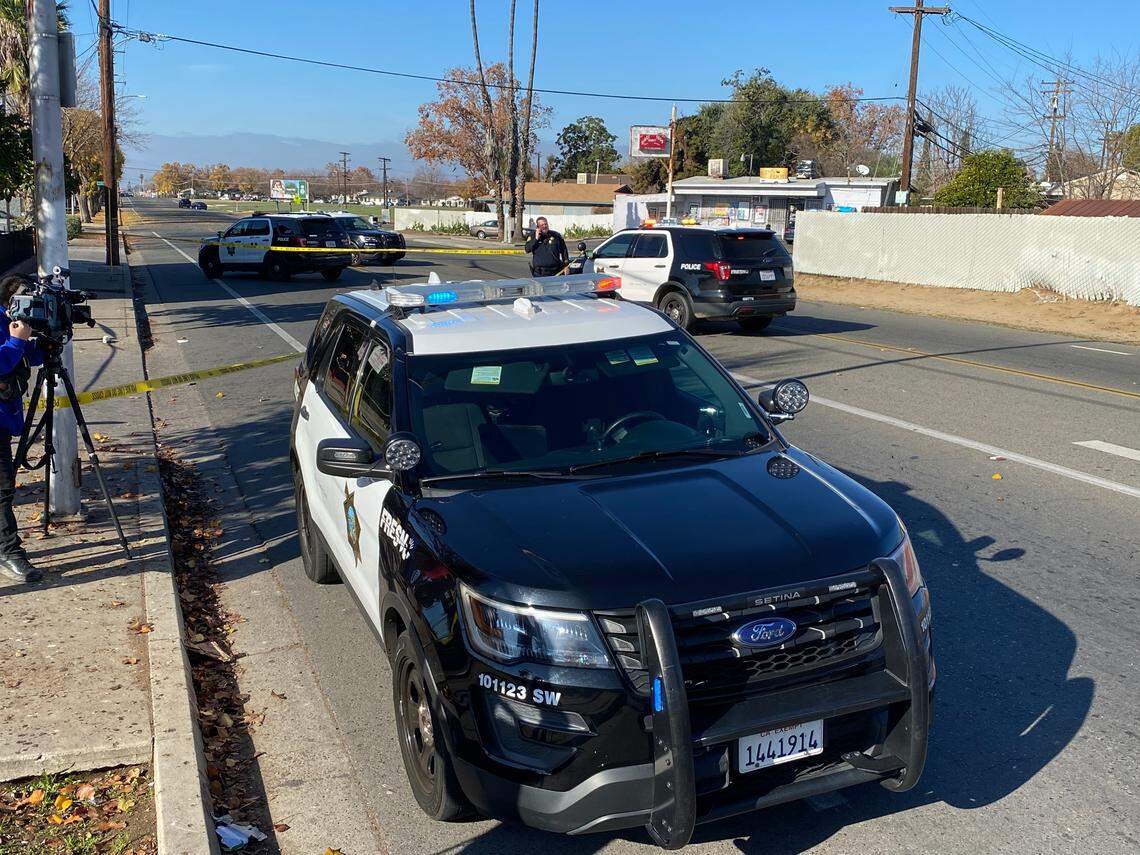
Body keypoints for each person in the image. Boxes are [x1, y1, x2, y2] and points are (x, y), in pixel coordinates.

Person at [0, 275, 43, 584]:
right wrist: (17, 341)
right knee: (2, 489)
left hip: (4, 416)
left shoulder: (15, 322)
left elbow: (31, 356)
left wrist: (46, 336)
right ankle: (8, 551)